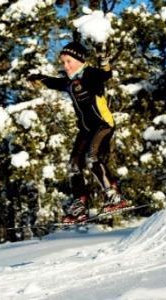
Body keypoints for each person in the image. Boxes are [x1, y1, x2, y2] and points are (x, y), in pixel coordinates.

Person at [28, 41, 130, 224]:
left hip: (102, 125)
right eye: (63, 62)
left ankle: (114, 196)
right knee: (73, 165)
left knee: (92, 158)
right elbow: (55, 82)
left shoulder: (90, 74)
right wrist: (39, 78)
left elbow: (106, 74)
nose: (65, 65)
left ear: (80, 60)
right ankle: (79, 206)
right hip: (86, 129)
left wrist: (104, 60)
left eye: (69, 61)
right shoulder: (68, 82)